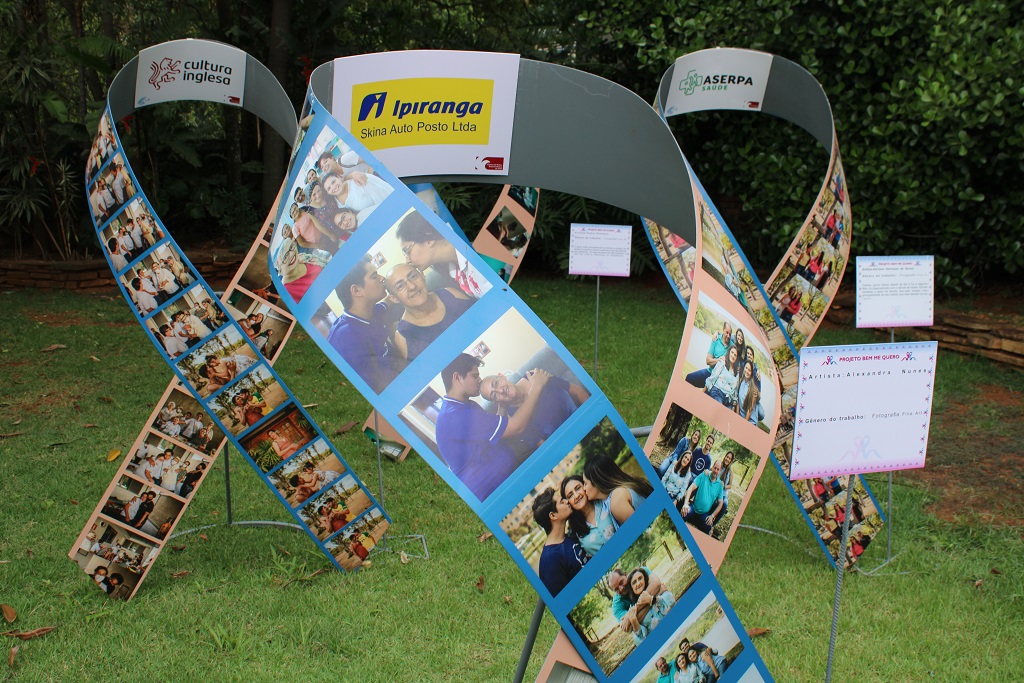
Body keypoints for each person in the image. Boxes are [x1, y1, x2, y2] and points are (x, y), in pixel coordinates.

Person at [434, 353, 551, 501]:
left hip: (508, 472)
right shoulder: (456, 415)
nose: (479, 380)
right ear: (457, 377)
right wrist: (537, 386)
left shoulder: (464, 406)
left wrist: (502, 406)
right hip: (493, 491)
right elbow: (516, 427)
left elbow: (494, 433)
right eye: (475, 376)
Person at [326, 256, 403, 393]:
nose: (382, 278)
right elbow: (376, 388)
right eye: (374, 276)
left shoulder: (370, 312)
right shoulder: (346, 339)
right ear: (356, 291)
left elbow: (386, 303)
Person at [479, 370, 590, 449]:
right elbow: (544, 445)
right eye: (494, 395)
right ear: (497, 402)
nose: (500, 391)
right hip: (569, 444)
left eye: (496, 383)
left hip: (585, 421)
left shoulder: (535, 376)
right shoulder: (515, 421)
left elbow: (578, 391)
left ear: (502, 376)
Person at [386, 264, 474, 361]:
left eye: (413, 276)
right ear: (394, 298)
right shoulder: (404, 336)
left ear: (422, 275)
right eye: (400, 286)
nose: (412, 286)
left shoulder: (451, 294)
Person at [395, 212, 491, 299]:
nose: (407, 260)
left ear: (428, 239)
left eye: (407, 250)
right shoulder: (451, 269)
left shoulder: (481, 254)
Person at [531, 488, 587, 596]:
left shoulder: (569, 537)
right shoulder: (550, 560)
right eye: (562, 502)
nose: (566, 501)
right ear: (553, 515)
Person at [582, 455, 652, 526]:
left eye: (585, 483)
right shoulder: (622, 488)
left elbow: (640, 527)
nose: (584, 488)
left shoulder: (617, 500)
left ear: (596, 482)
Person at [607, 566, 664, 646]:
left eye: (621, 582)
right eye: (616, 589)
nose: (621, 588)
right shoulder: (616, 607)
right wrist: (652, 599)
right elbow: (629, 627)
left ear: (625, 574)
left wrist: (633, 613)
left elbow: (656, 584)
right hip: (646, 628)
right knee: (636, 637)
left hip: (661, 609)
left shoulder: (640, 573)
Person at [627, 567, 674, 639]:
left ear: (645, 579)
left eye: (640, 578)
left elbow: (671, 605)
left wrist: (652, 599)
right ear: (631, 588)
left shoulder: (659, 589)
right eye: (634, 582)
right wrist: (634, 620)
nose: (638, 583)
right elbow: (643, 638)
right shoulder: (633, 610)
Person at [680, 460, 725, 534]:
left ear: (720, 471)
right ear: (712, 467)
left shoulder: (720, 485)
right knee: (683, 513)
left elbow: (721, 503)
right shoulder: (704, 475)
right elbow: (691, 487)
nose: (716, 471)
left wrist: (712, 516)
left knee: (708, 527)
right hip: (693, 508)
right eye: (715, 468)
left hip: (704, 514)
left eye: (718, 469)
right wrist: (685, 504)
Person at [321, 170, 393, 216]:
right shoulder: (335, 203)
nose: (333, 187)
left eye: (333, 182)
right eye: (329, 188)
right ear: (328, 192)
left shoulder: (359, 181)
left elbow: (386, 194)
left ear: (339, 177)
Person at [275, 237, 323, 302]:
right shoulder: (288, 292)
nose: (291, 254)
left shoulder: (304, 257)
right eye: (285, 257)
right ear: (279, 269)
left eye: (291, 247)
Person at [685, 321, 731, 387]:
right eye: (727, 332)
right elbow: (708, 361)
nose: (728, 336)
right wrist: (718, 360)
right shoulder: (716, 339)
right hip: (709, 372)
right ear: (723, 330)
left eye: (730, 334)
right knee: (689, 378)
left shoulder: (732, 347)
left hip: (720, 379)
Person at [736, 359, 762, 425]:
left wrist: (744, 424)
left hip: (750, 421)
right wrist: (737, 417)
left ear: (752, 373)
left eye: (749, 370)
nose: (747, 371)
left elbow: (749, 410)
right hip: (740, 417)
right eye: (746, 368)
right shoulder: (741, 381)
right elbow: (738, 401)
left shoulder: (753, 389)